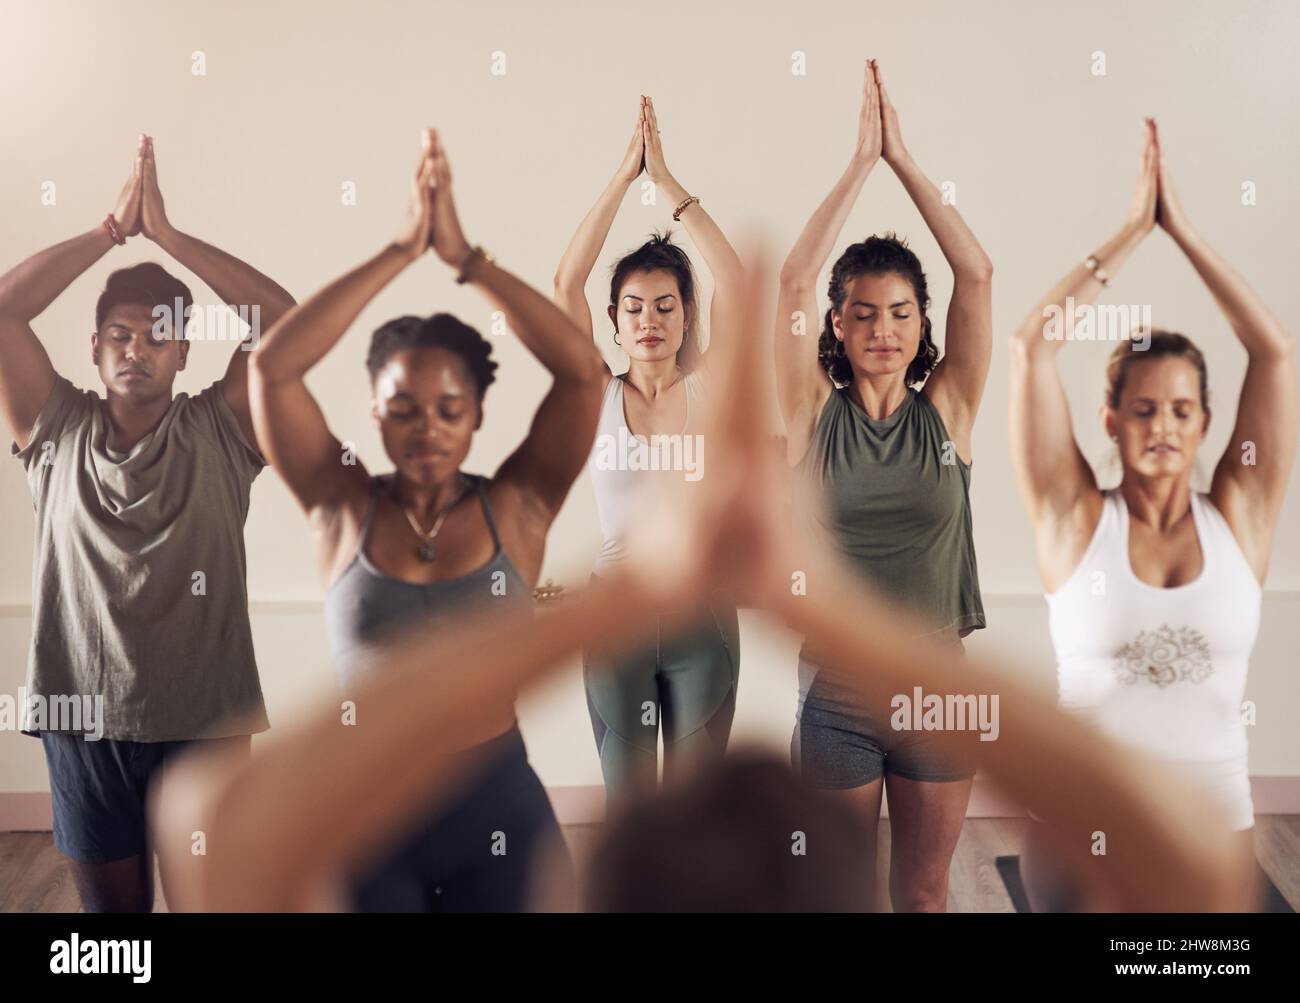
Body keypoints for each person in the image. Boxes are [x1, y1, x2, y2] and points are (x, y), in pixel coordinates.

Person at [153, 244, 1252, 913]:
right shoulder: (390, 495)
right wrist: (779, 589)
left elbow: (220, 816)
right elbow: (1193, 869)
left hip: (658, 648)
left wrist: (643, 586)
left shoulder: (515, 493)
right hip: (711, 656)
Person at [247, 128, 607, 911]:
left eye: (450, 408)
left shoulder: (519, 504)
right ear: (373, 413)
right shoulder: (340, 503)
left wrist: (466, 261)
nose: (427, 428)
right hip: (365, 807)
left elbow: (583, 371)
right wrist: (400, 249)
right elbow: (272, 367)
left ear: (479, 415)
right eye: (402, 408)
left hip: (495, 804)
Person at [0, 134, 294, 911]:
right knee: (113, 935)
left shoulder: (224, 430)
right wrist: (108, 234)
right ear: (94, 349)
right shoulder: (53, 426)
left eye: (158, 333)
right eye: (121, 335)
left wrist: (168, 235)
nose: (138, 348)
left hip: (206, 722)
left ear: (184, 351)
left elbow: (286, 322)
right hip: (81, 717)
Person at [1008, 119, 1296, 911]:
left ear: (1207, 421)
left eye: (1179, 409)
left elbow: (1274, 352)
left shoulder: (1242, 514)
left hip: (1214, 830)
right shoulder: (1073, 517)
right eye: (1142, 409)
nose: (1162, 426)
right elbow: (1030, 348)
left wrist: (1186, 232)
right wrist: (1131, 235)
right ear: (1110, 420)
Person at [774, 60, 993, 910]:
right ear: (836, 323)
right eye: (863, 311)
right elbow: (793, 279)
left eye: (902, 312)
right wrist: (857, 163)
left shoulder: (952, 412)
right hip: (835, 691)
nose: (883, 328)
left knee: (926, 892)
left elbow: (975, 273)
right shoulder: (808, 415)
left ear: (923, 324)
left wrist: (903, 157)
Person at [553, 95, 745, 807]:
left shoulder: (711, 388)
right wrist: (621, 176)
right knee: (632, 816)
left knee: (696, 818)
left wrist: (665, 183)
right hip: (614, 622)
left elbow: (736, 278)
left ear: (686, 314)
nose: (650, 320)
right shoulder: (594, 394)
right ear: (615, 322)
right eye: (634, 308)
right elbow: (564, 282)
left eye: (666, 305)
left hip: (704, 621)